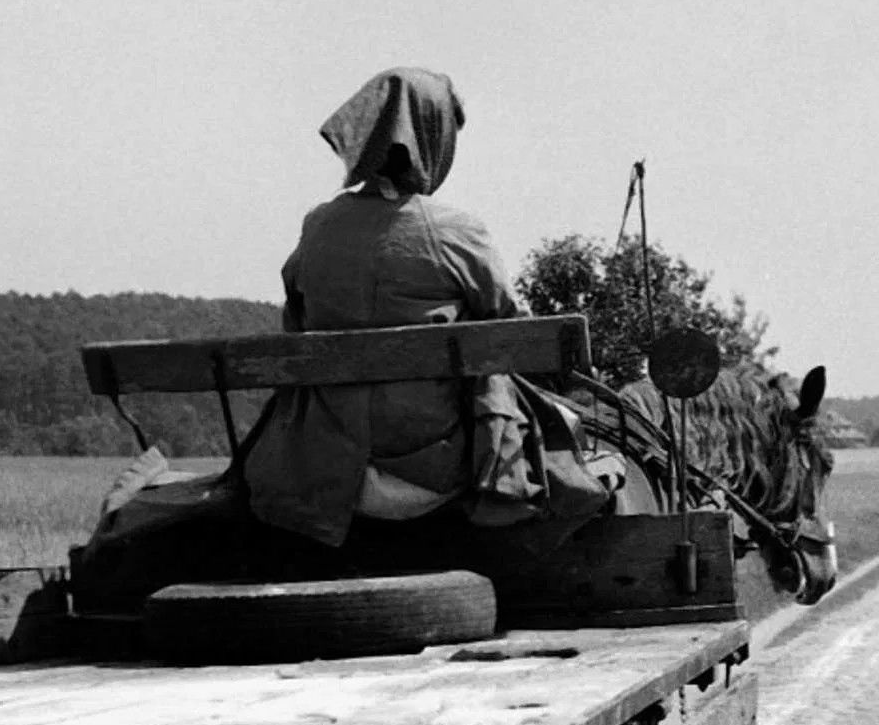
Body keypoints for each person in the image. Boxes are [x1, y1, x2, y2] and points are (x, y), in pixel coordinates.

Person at [241, 66, 607, 548]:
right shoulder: (457, 232)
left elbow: (296, 322)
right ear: (434, 138)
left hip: (323, 471)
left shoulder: (317, 227)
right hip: (440, 471)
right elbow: (506, 328)